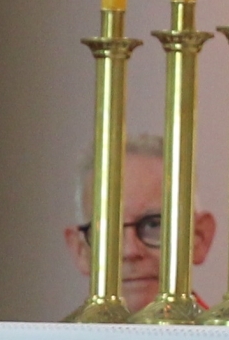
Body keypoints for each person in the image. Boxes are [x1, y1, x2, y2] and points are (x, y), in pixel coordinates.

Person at [63, 133, 216, 314]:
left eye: (153, 225)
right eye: (109, 230)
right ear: (81, 250)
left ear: (199, 237)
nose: (130, 251)